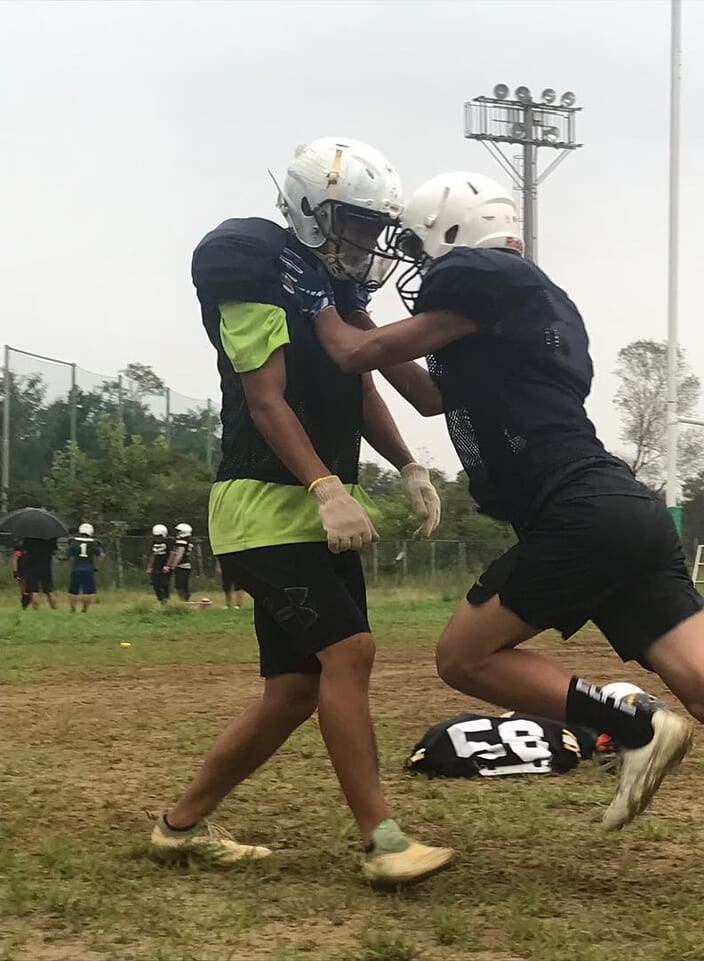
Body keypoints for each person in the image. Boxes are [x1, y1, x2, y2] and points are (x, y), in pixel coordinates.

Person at [309, 172, 704, 904]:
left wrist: (319, 293)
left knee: (462, 656)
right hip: (623, 511)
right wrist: (360, 324)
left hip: (579, 512)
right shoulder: (511, 311)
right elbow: (426, 393)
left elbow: (354, 354)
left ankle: (628, 723)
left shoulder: (491, 278)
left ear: (456, 235)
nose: (416, 266)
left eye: (420, 246)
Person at [151, 136, 450, 888]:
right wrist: (324, 485)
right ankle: (382, 840)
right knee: (349, 653)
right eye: (358, 223)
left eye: (376, 227)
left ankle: (180, 826)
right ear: (313, 211)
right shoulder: (256, 266)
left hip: (313, 505)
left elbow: (362, 386)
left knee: (292, 691)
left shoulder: (330, 290)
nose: (369, 241)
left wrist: (408, 463)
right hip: (263, 505)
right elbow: (265, 399)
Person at [66, 523, 104, 613]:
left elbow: (68, 556)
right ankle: (84, 610)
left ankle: (73, 609)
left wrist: (71, 564)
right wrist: (98, 565)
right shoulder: (93, 543)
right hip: (89, 569)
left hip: (76, 569)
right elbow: (101, 555)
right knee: (88, 591)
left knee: (73, 591)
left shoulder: (74, 542)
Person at [19, 537, 57, 610]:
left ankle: (36, 610)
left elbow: (24, 550)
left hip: (32, 567)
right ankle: (54, 609)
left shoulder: (29, 538)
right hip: (46, 567)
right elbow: (54, 551)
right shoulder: (50, 538)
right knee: (49, 590)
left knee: (34, 590)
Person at [168, 522, 195, 602]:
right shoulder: (188, 541)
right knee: (184, 585)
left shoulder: (182, 542)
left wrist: (173, 565)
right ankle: (185, 600)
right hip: (187, 565)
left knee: (180, 585)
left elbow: (179, 554)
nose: (177, 533)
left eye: (179, 531)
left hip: (182, 565)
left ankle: (184, 601)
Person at [147, 524, 174, 604]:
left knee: (165, 583)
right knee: (155, 584)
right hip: (156, 566)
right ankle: (161, 599)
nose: (157, 538)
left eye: (159, 536)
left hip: (165, 565)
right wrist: (149, 567)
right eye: (156, 536)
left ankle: (166, 599)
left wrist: (167, 565)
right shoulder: (153, 542)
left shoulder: (169, 542)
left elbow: (172, 554)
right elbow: (153, 555)